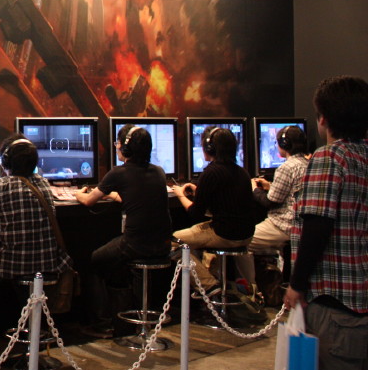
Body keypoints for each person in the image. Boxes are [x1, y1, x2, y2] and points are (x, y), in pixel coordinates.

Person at [284, 76, 368, 370]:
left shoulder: (329, 157)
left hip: (333, 305)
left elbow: (317, 227)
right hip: (360, 302)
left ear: (324, 118)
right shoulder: (363, 156)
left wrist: (296, 285)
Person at [0, 136, 72, 363]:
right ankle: (33, 342)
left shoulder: (2, 187)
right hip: (47, 262)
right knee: (25, 294)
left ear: (5, 162)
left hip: (11, 262)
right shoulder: (43, 183)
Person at [75, 125, 172, 337]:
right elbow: (132, 195)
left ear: (125, 148)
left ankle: (103, 323)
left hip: (135, 245)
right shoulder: (159, 172)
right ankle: (135, 319)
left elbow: (88, 201)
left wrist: (77, 193)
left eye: (118, 143)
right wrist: (110, 194)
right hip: (162, 246)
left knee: (92, 261)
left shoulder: (118, 173)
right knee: (119, 265)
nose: (117, 147)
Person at [171, 126, 256, 291]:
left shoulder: (211, 173)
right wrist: (200, 191)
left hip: (224, 234)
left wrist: (180, 194)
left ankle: (209, 286)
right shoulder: (242, 172)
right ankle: (219, 284)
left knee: (173, 242)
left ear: (210, 148)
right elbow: (224, 200)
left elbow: (195, 213)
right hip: (246, 235)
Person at [236, 125, 309, 288]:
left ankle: (252, 289)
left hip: (283, 225)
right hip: (301, 224)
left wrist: (254, 188)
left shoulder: (286, 167)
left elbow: (270, 202)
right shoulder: (308, 163)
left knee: (240, 242)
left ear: (284, 144)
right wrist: (270, 186)